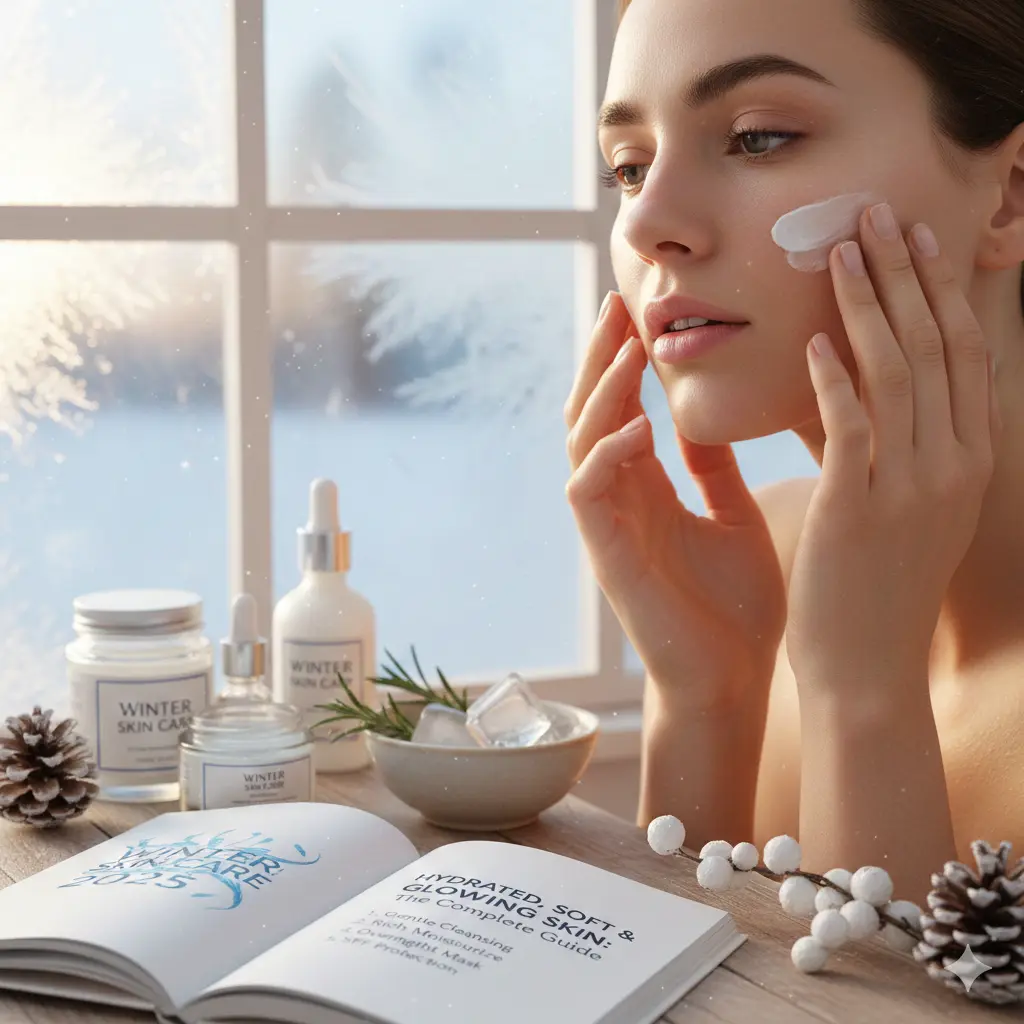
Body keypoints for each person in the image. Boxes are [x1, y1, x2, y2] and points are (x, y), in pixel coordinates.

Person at [564, 0, 1024, 904]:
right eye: (629, 166)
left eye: (758, 138)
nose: (647, 222)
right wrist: (708, 704)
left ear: (1009, 194)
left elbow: (864, 985)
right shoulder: (762, 572)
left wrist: (865, 693)